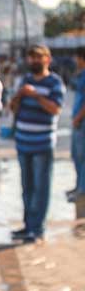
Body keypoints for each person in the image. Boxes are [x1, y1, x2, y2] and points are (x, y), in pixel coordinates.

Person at [10, 45, 65, 243]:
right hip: (23, 142)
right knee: (27, 187)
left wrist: (36, 95)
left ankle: (37, 229)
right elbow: (13, 108)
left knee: (41, 188)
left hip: (42, 144)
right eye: (31, 57)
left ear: (47, 59)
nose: (34, 61)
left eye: (38, 57)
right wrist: (19, 95)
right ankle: (28, 226)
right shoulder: (25, 81)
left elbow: (55, 109)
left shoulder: (54, 82)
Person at [68, 47, 85, 202]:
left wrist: (78, 118)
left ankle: (82, 191)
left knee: (82, 156)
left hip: (81, 121)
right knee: (76, 155)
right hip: (78, 120)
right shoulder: (81, 74)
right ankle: (79, 186)